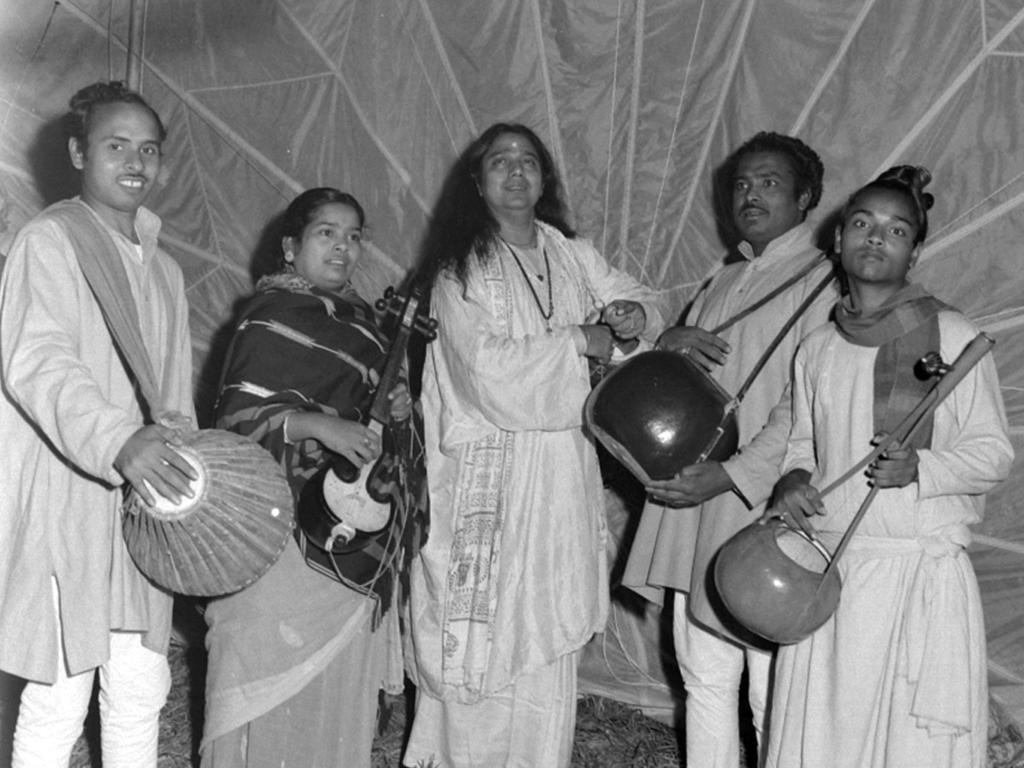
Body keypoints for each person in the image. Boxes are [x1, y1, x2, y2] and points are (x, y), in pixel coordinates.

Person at [401, 123, 665, 767]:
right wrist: (580, 341)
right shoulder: (457, 269)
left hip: (559, 476)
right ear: (477, 180)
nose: (516, 172)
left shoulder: (569, 252)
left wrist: (631, 316)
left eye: (528, 161)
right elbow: (486, 375)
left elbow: (641, 305)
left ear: (544, 178)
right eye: (500, 161)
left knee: (544, 634)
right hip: (486, 477)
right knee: (484, 643)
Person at [765, 166, 1013, 768]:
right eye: (862, 224)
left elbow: (993, 453)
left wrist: (921, 468)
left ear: (916, 250)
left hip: (914, 573)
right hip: (832, 570)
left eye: (896, 230)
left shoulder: (952, 336)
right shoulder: (818, 348)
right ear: (836, 239)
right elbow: (804, 443)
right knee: (827, 736)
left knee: (907, 746)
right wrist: (795, 477)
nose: (876, 238)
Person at [621, 131, 838, 767]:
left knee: (774, 687)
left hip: (763, 503)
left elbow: (803, 408)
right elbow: (681, 396)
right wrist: (669, 342)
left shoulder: (824, 281)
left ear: (807, 198)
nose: (751, 195)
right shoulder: (725, 280)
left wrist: (731, 476)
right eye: (741, 184)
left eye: (770, 183)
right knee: (703, 673)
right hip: (695, 501)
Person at [0, 81, 196, 767]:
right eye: (117, 145)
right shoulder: (49, 241)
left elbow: (174, 399)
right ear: (80, 152)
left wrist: (188, 487)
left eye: (149, 149)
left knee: (141, 683)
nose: (135, 161)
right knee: (58, 692)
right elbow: (39, 362)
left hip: (145, 506)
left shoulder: (165, 269)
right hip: (69, 494)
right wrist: (118, 441)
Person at [201, 187, 426, 768]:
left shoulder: (373, 329)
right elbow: (234, 422)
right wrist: (317, 427)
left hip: (347, 535)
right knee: (262, 669)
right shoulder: (270, 318)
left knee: (331, 688)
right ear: (290, 247)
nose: (344, 248)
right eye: (327, 233)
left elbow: (382, 442)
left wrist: (398, 414)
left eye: (354, 237)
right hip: (279, 531)